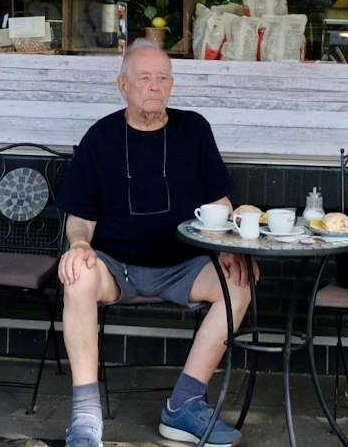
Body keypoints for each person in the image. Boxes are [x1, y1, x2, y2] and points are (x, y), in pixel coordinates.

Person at [55, 40, 252, 447]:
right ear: (122, 85)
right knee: (76, 277)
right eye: (144, 78)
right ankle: (86, 418)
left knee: (241, 281)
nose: (154, 86)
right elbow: (80, 218)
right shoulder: (101, 137)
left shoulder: (194, 130)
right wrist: (78, 245)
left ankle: (184, 404)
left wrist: (230, 243)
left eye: (163, 78)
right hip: (117, 267)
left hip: (184, 265)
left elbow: (221, 203)